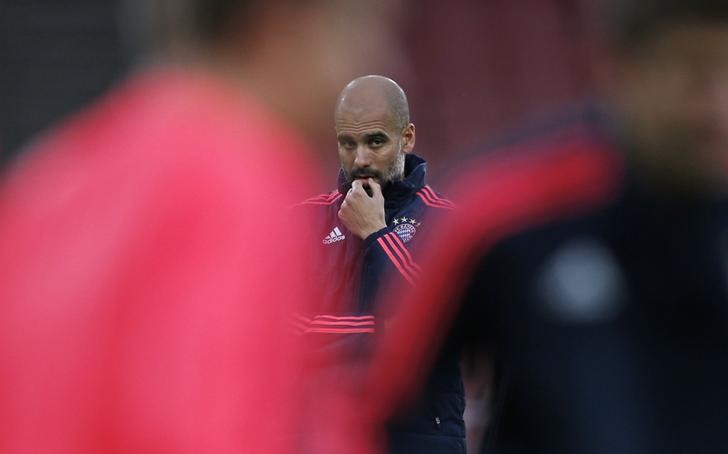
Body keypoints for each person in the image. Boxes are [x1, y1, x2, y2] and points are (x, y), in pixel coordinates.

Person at [0, 1, 401, 453]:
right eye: (363, 27)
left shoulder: (50, 177)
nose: (383, 58)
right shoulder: (238, 179)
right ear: (284, 22)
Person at [357, 1, 728, 453]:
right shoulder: (505, 211)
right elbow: (380, 408)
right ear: (621, 65)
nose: (717, 105)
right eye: (692, 72)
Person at [295, 75, 465, 453]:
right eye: (347, 143)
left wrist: (376, 232)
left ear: (407, 138)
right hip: (321, 439)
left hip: (420, 438)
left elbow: (433, 332)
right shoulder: (301, 222)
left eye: (375, 142)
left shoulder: (449, 222)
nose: (360, 160)